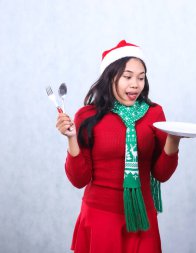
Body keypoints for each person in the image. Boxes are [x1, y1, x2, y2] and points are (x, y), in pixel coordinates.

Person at [56, 40, 182, 253]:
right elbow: (79, 180)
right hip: (100, 218)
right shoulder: (87, 116)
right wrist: (71, 139)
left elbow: (161, 174)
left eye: (141, 78)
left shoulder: (154, 114)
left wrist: (174, 140)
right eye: (128, 77)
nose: (136, 84)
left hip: (142, 217)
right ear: (110, 77)